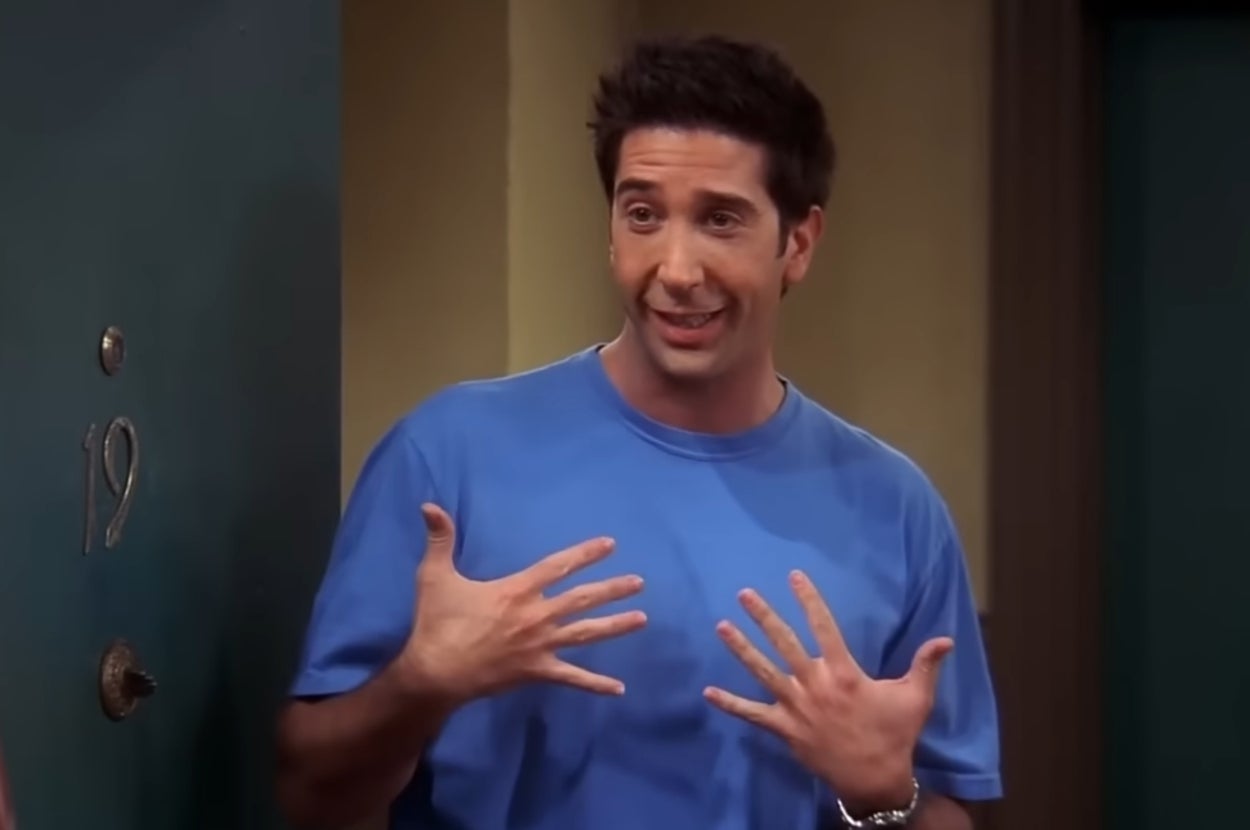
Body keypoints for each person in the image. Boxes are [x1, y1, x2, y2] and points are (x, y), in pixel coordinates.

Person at [276, 34, 1001, 830]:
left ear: (797, 244)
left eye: (720, 219)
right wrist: (419, 686)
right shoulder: (447, 456)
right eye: (644, 214)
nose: (676, 269)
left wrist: (883, 793)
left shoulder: (895, 510)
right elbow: (309, 794)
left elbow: (951, 808)